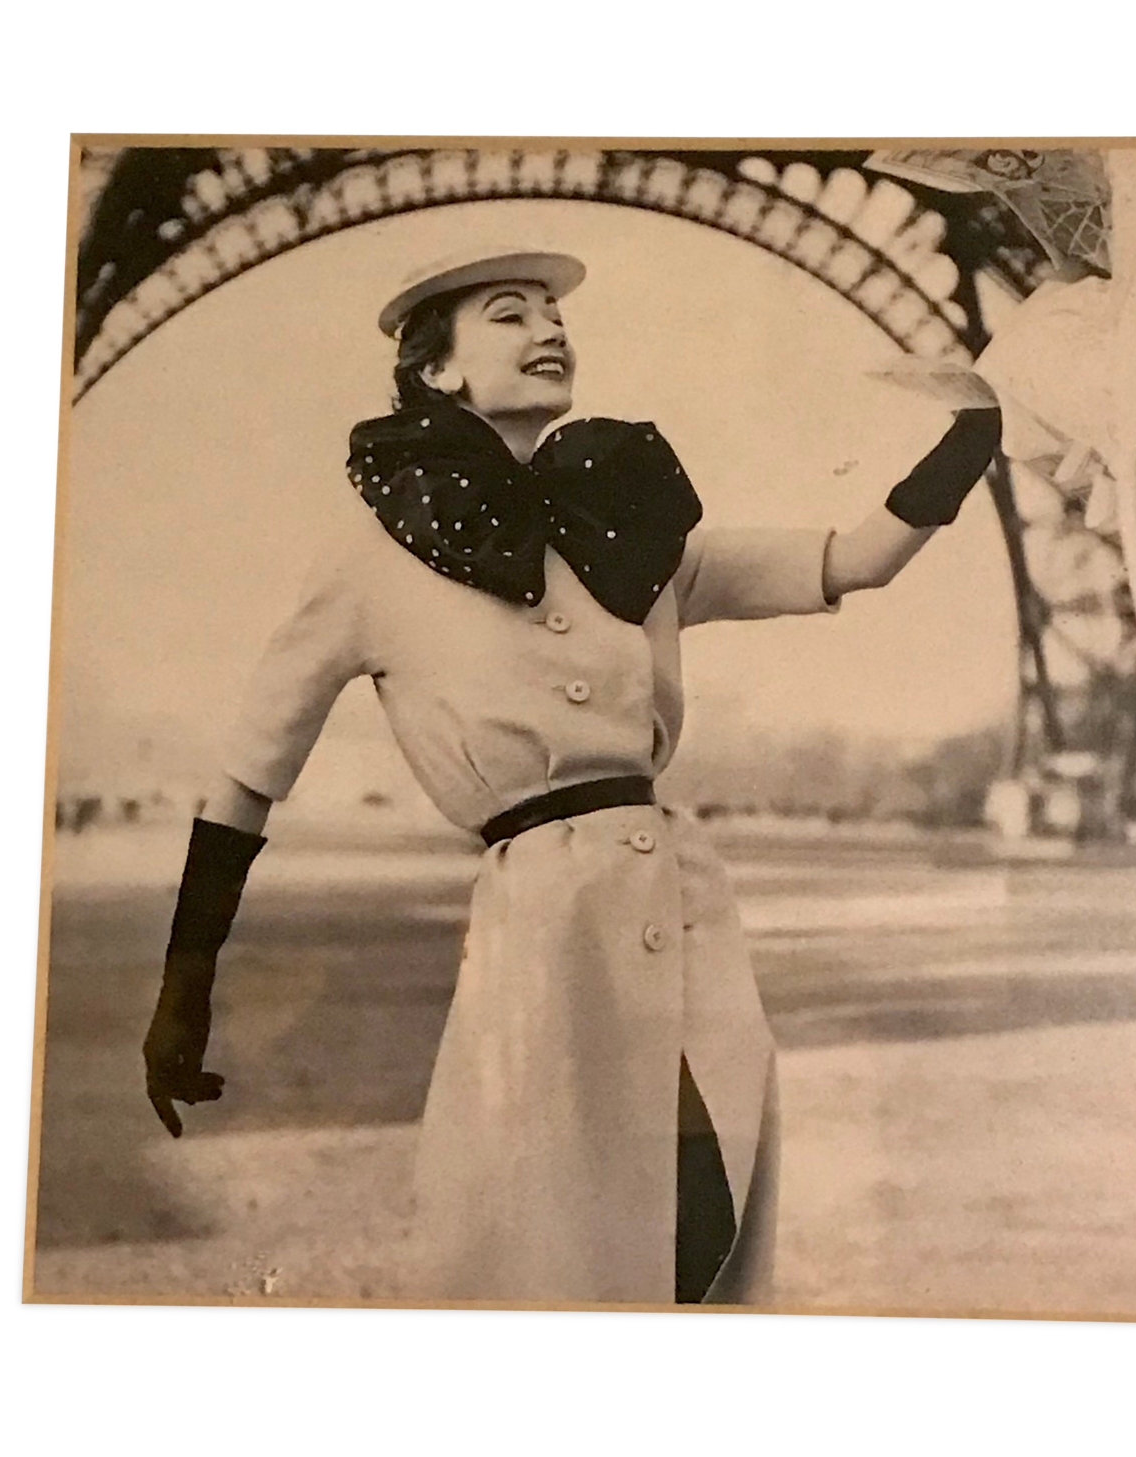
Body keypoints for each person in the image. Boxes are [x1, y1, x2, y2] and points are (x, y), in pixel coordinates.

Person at [142, 244, 1002, 1305]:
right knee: (556, 1248)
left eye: (555, 315)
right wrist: (184, 989)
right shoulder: (366, 559)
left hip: (680, 904)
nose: (549, 330)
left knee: (705, 1224)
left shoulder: (627, 532)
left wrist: (969, 441)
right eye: (509, 315)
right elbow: (244, 779)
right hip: (541, 931)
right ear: (436, 369)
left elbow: (849, 557)